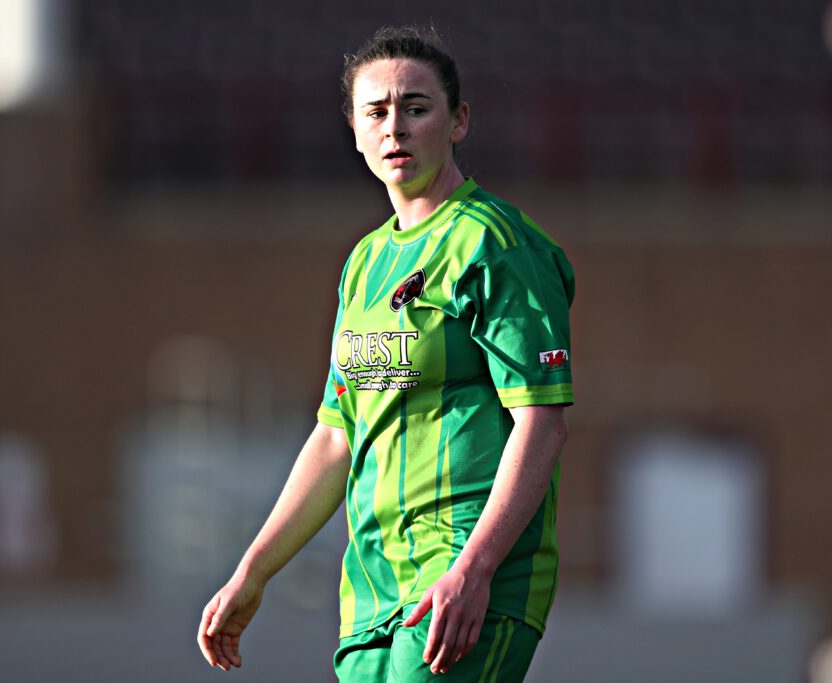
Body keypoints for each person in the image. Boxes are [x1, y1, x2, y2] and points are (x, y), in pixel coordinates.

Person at [197, 26, 575, 681]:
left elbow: (541, 419)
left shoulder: (496, 245)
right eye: (376, 111)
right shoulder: (365, 262)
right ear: (353, 129)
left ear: (458, 121)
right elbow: (336, 434)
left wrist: (475, 567)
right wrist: (251, 572)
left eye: (416, 107)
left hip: (462, 575)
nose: (393, 126)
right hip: (371, 586)